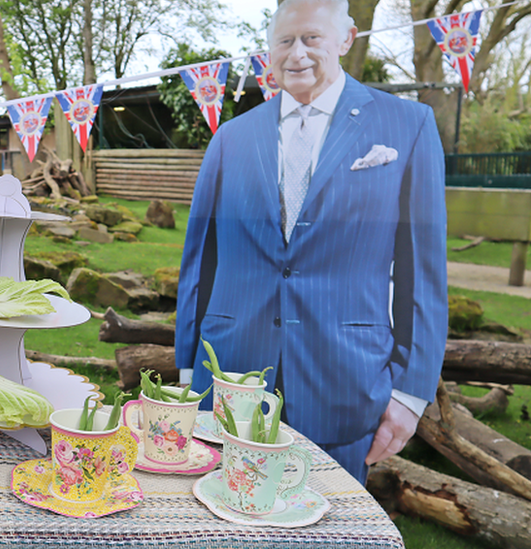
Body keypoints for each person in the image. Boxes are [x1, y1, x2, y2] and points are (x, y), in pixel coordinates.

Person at [174, 0, 448, 485]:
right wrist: (184, 370)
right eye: (284, 41)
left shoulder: (409, 126)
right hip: (228, 382)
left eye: (311, 38)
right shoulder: (230, 138)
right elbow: (200, 262)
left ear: (346, 39)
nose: (296, 53)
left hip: (345, 386)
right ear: (268, 51)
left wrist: (411, 394)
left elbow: (423, 274)